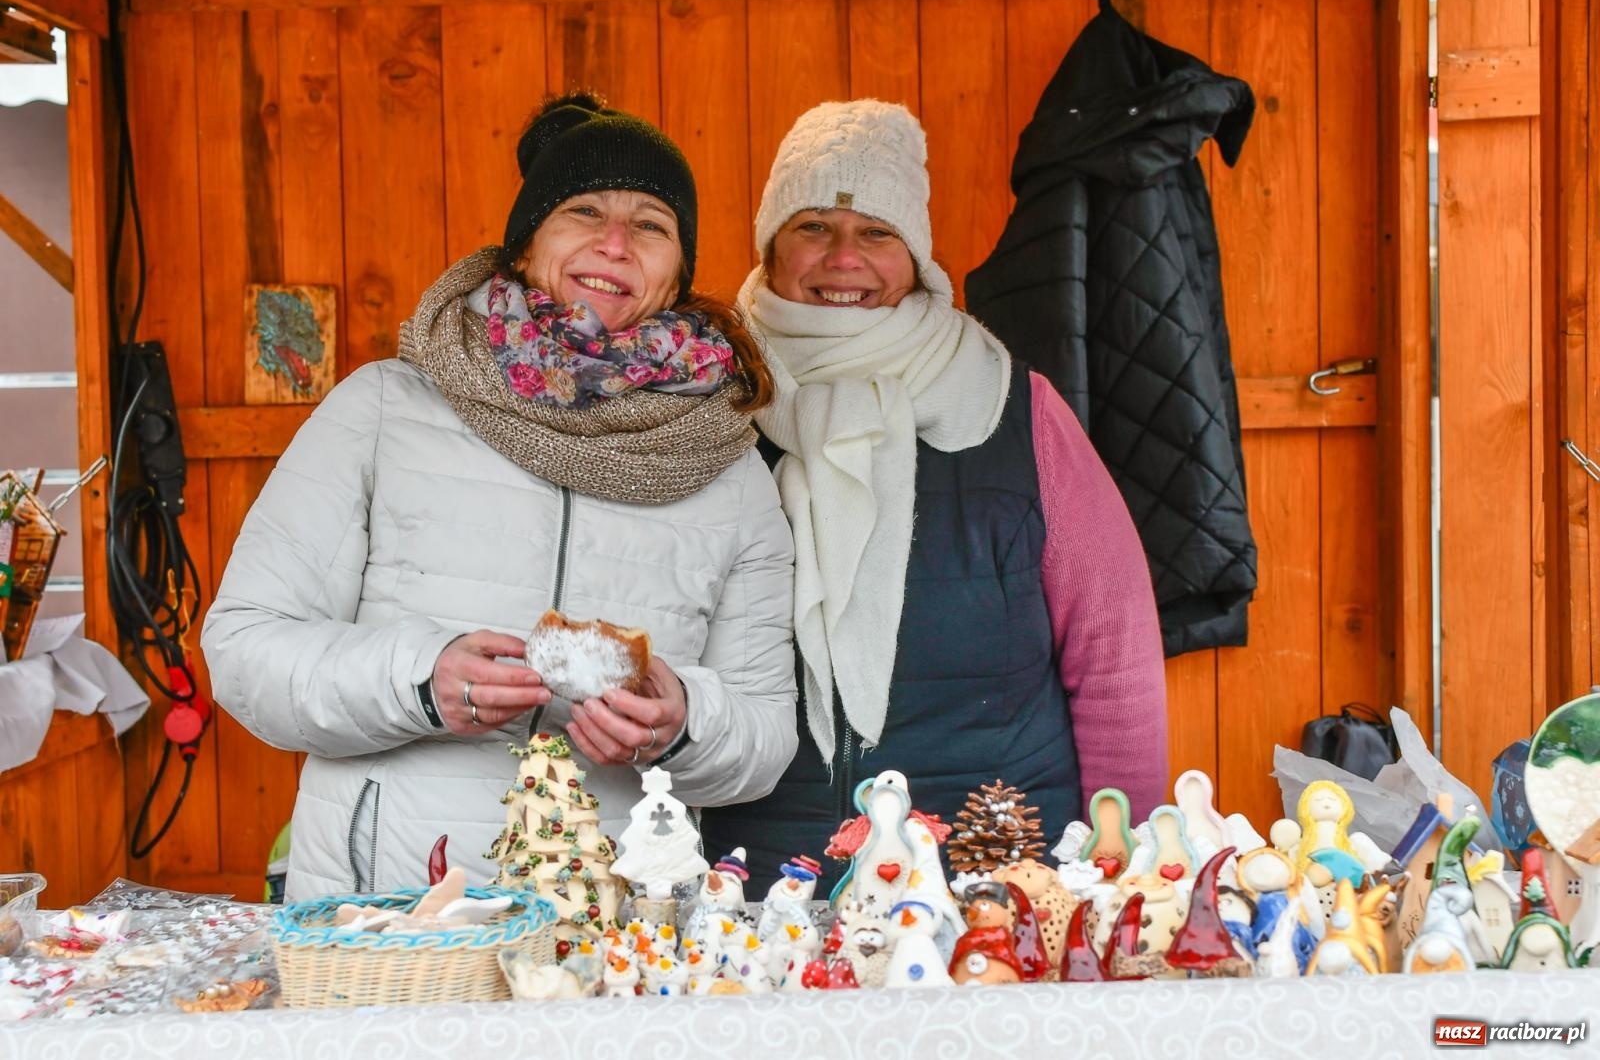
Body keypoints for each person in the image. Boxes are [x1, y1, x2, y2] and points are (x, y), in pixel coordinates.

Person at [202, 93, 797, 901]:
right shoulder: (384, 411)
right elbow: (245, 648)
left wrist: (684, 720)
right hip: (390, 912)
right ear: (524, 245)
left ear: (677, 272)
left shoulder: (725, 464)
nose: (614, 243)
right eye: (584, 210)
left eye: (651, 223)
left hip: (615, 918)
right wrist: (420, 681)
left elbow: (764, 734)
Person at [698, 100, 1167, 891]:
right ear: (770, 247)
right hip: (762, 880)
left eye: (878, 233)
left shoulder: (1015, 408)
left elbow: (1114, 655)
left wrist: (1124, 865)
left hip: (1001, 876)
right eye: (813, 226)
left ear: (916, 257)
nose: (844, 257)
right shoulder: (703, 406)